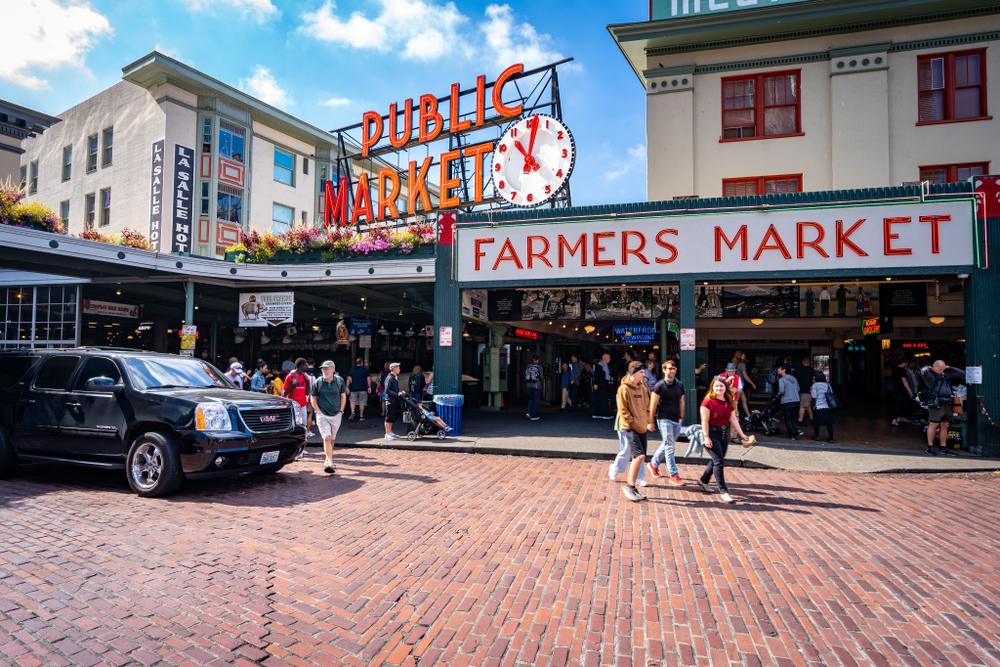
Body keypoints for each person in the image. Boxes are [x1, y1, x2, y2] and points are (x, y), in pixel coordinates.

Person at [698, 377, 750, 504]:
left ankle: (703, 480)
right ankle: (723, 491)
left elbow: (733, 419)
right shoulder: (707, 401)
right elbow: (704, 421)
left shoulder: (728, 401)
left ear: (725, 387)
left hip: (724, 433)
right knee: (719, 461)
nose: (719, 388)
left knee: (717, 459)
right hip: (711, 433)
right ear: (712, 387)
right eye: (716, 386)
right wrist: (706, 437)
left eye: (721, 386)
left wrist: (742, 434)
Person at [616, 361, 653, 502]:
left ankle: (633, 486)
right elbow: (623, 411)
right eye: (641, 372)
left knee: (639, 457)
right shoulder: (623, 389)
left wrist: (648, 421)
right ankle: (630, 487)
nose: (643, 374)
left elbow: (647, 405)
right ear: (634, 373)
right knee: (639, 456)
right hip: (630, 427)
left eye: (643, 372)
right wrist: (634, 423)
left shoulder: (643, 387)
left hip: (642, 426)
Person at [647, 360, 685, 486]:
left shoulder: (680, 384)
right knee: (670, 447)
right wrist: (650, 421)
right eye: (669, 368)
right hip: (663, 418)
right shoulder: (659, 385)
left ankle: (653, 463)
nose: (672, 370)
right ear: (664, 370)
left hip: (676, 419)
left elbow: (682, 401)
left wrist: (681, 417)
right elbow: (652, 405)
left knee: (667, 444)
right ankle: (673, 474)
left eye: (674, 368)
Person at [920, 360, 964, 457]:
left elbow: (961, 374)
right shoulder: (930, 376)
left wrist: (949, 368)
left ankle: (942, 448)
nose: (942, 370)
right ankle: (930, 448)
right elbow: (923, 370)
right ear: (934, 367)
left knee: (945, 424)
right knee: (933, 424)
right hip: (936, 402)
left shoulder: (946, 374)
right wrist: (932, 368)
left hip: (947, 402)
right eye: (940, 368)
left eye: (943, 368)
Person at [311, 360, 346, 475]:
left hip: (336, 414)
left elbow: (343, 396)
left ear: (333, 369)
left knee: (332, 439)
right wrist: (318, 411)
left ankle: (328, 458)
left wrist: (341, 410)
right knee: (327, 437)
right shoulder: (318, 382)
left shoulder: (340, 381)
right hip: (322, 414)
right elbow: (313, 398)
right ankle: (330, 461)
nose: (324, 371)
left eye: (327, 368)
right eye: (323, 369)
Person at [283, 358, 311, 436]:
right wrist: (293, 385)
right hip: (293, 405)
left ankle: (302, 442)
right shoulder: (290, 376)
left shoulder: (305, 377)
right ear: (301, 365)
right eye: (306, 365)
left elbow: (307, 393)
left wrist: (308, 382)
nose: (307, 367)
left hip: (303, 405)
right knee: (294, 425)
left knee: (303, 425)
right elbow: (284, 393)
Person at [777, 366, 803, 439]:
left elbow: (781, 391)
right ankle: (797, 430)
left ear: (783, 370)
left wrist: (778, 393)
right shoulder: (794, 378)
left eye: (779, 369)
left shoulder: (781, 380)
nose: (777, 370)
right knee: (793, 417)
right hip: (796, 400)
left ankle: (792, 435)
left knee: (787, 418)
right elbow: (798, 389)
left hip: (787, 401)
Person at [810, 371, 835, 442]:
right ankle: (831, 438)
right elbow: (831, 394)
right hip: (828, 407)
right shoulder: (828, 385)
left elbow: (814, 397)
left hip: (818, 406)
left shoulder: (814, 385)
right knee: (829, 424)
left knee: (816, 423)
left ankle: (817, 436)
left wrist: (813, 406)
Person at [890, 359, 915, 427]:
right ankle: (894, 420)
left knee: (901, 403)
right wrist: (910, 391)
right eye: (906, 363)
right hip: (901, 389)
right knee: (900, 404)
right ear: (904, 363)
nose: (907, 364)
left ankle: (899, 418)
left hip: (896, 389)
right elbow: (904, 381)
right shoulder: (902, 370)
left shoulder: (894, 369)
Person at [792, 357, 816, 426]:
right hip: (807, 391)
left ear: (803, 362)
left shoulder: (798, 370)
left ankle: (800, 421)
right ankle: (811, 420)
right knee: (805, 406)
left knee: (804, 406)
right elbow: (814, 381)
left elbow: (793, 380)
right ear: (809, 362)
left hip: (798, 391)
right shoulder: (812, 371)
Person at [346, 358, 372, 422]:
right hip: (363, 389)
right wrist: (369, 387)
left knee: (352, 401)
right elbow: (368, 379)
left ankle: (353, 413)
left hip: (353, 389)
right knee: (362, 402)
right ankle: (361, 416)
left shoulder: (351, 370)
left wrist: (347, 387)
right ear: (362, 363)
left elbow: (348, 379)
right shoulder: (365, 370)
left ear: (356, 363)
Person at [383, 362, 404, 440]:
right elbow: (387, 390)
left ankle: (390, 432)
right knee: (388, 417)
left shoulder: (394, 377)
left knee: (392, 417)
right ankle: (387, 434)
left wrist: (399, 393)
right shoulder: (390, 378)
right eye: (398, 368)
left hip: (394, 400)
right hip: (390, 400)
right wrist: (397, 393)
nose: (399, 369)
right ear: (393, 369)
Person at [732, 351, 756, 417]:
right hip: (739, 385)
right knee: (736, 402)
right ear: (740, 356)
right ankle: (734, 417)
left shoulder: (733, 364)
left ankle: (748, 415)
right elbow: (745, 376)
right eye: (743, 355)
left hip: (735, 384)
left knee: (743, 400)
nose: (744, 356)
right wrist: (752, 383)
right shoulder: (742, 364)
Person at [592, 353, 613, 419]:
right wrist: (595, 383)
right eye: (609, 358)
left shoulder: (602, 364)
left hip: (601, 384)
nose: (610, 359)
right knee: (603, 399)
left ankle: (597, 413)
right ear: (605, 358)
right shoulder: (601, 365)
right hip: (601, 384)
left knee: (599, 399)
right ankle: (605, 414)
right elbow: (597, 374)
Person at [525, 355, 544, 421]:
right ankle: (534, 416)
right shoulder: (539, 367)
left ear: (533, 360)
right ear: (538, 360)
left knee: (531, 399)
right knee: (536, 400)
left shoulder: (528, 366)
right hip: (537, 386)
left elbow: (526, 376)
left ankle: (529, 412)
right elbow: (541, 377)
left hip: (529, 386)